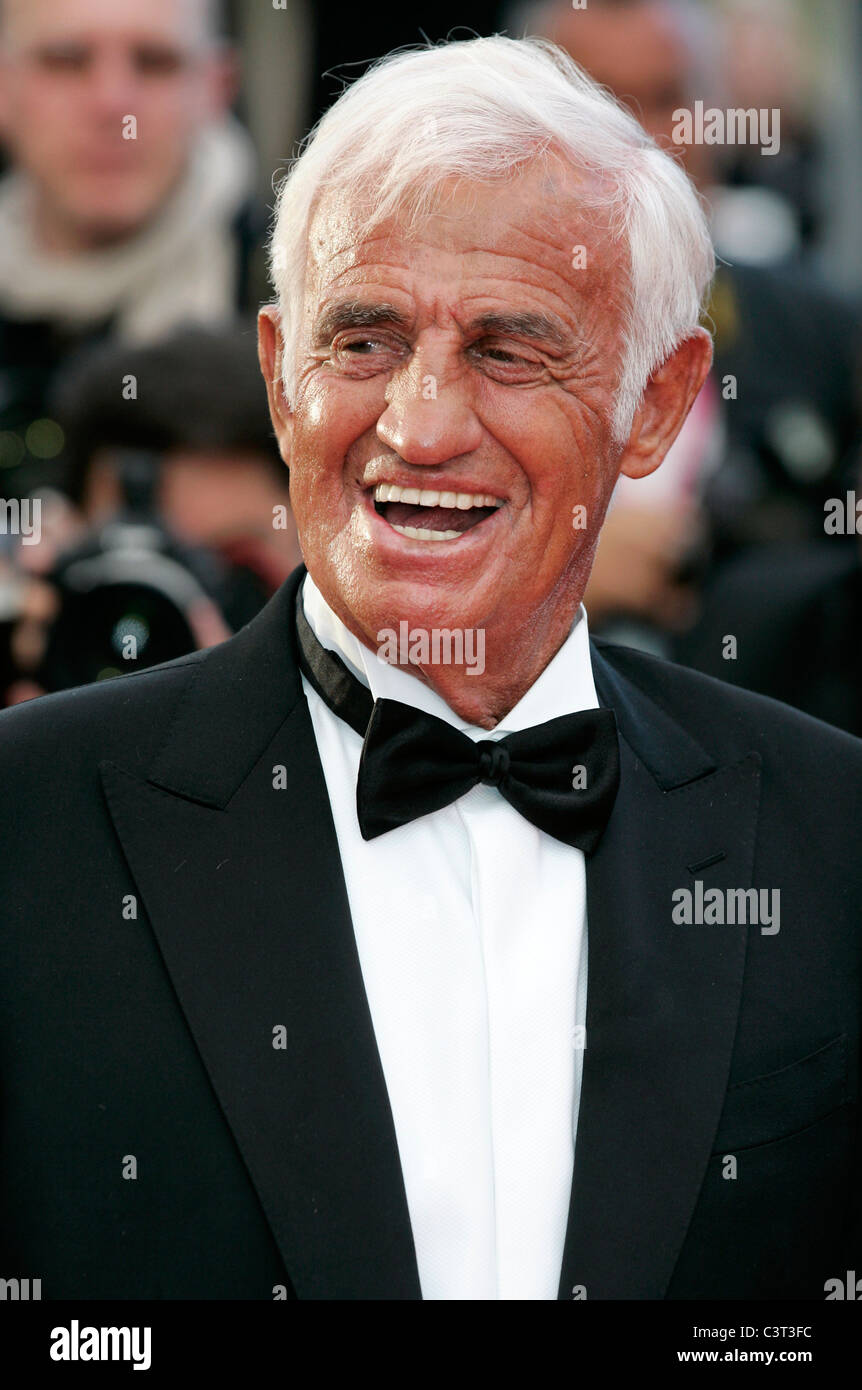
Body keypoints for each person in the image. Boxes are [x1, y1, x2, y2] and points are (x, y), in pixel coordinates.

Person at [0, 35, 859, 1301]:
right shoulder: (28, 827)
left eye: (510, 350)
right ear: (280, 379)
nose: (420, 424)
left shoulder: (830, 834)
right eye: (364, 340)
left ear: (659, 402)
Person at [0, 0, 259, 499]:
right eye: (66, 60)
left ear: (217, 88)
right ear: (4, 87)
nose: (113, 104)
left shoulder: (312, 306)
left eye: (155, 62)